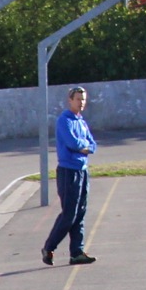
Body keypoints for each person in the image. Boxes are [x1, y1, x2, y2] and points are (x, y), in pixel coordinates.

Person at [42, 87, 97, 267]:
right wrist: (83, 146)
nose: (81, 102)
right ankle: (49, 247)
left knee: (80, 212)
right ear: (70, 100)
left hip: (82, 170)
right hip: (68, 171)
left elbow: (93, 145)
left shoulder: (81, 121)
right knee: (69, 214)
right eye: (78, 99)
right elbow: (73, 143)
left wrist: (84, 147)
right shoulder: (64, 121)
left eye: (83, 99)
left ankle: (77, 252)